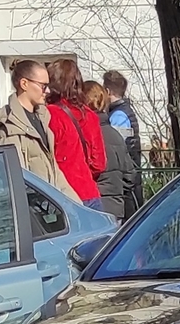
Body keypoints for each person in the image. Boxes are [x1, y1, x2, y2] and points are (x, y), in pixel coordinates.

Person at [42, 59, 111, 207]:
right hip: (90, 192)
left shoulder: (49, 114)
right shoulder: (90, 115)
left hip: (62, 194)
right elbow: (99, 164)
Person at [0, 60, 59, 181]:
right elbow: (16, 181)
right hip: (33, 199)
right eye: (43, 86)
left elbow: (56, 174)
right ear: (24, 84)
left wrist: (71, 200)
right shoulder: (8, 129)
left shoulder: (42, 118)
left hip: (49, 198)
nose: (48, 91)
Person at [82, 83, 138, 213]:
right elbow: (129, 175)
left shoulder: (83, 133)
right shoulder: (115, 135)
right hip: (116, 206)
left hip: (91, 204)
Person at [101, 70, 142, 169]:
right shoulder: (123, 111)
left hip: (124, 174)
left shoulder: (118, 115)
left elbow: (114, 146)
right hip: (130, 172)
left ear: (107, 91)